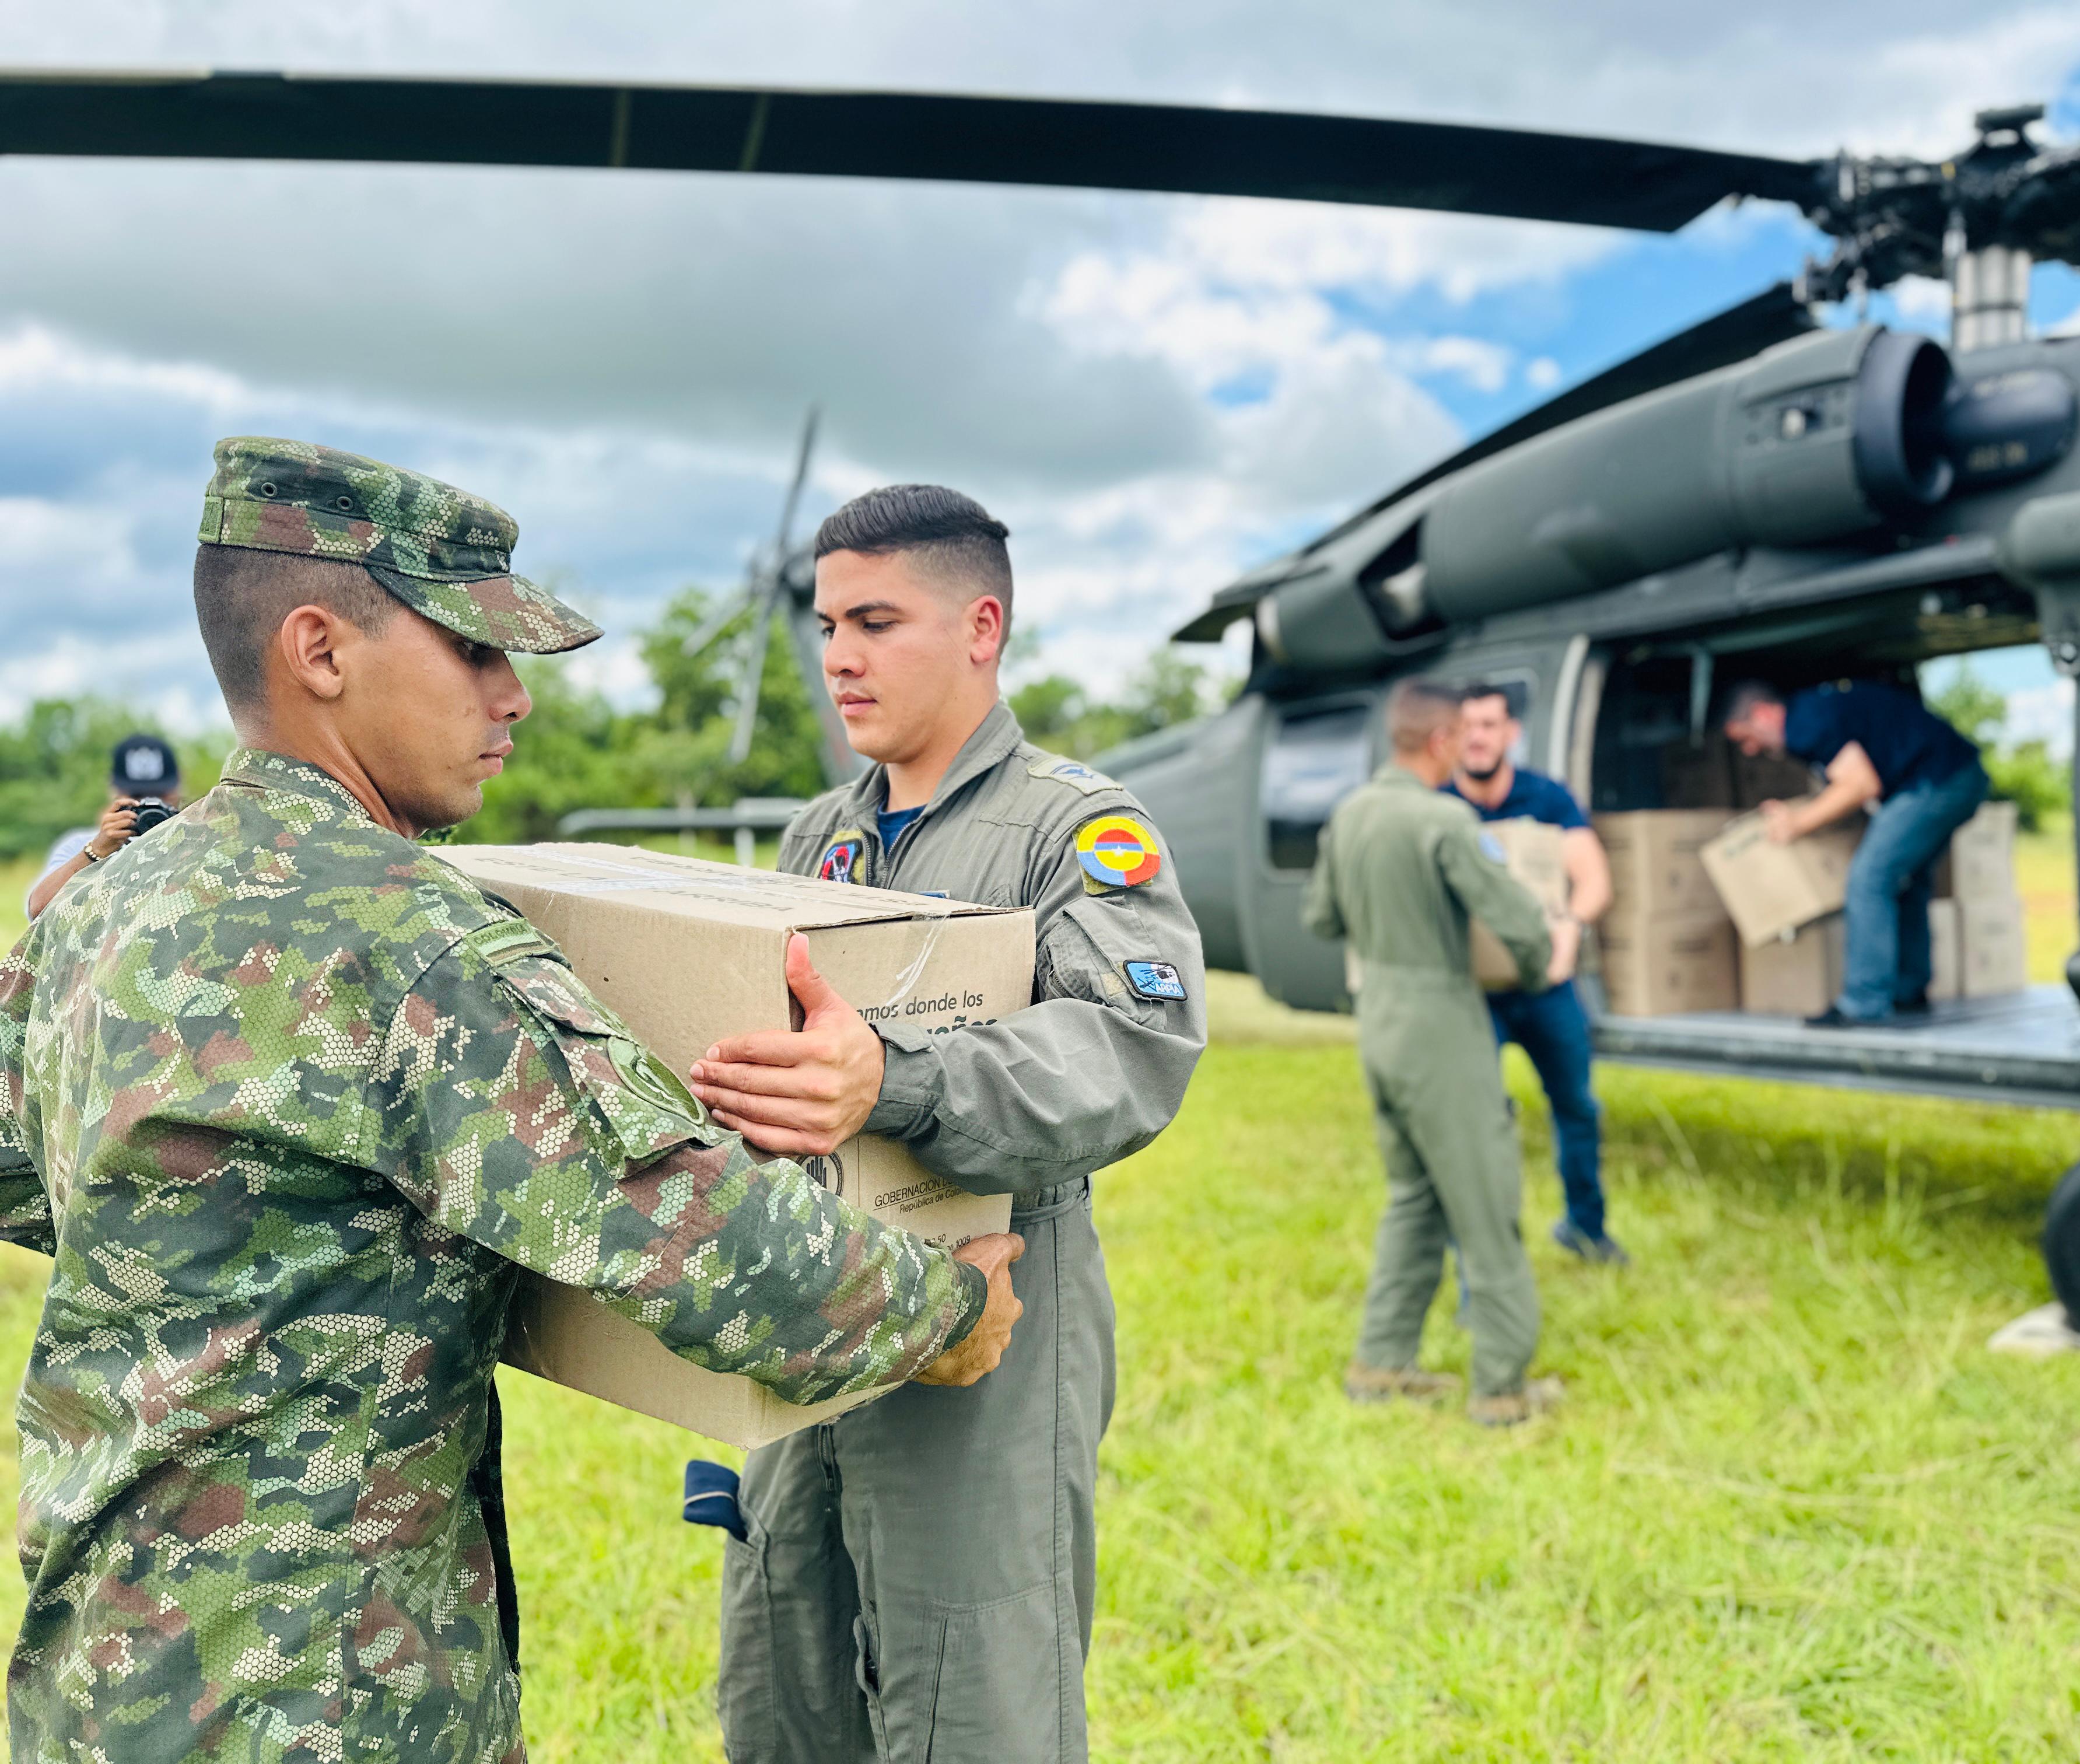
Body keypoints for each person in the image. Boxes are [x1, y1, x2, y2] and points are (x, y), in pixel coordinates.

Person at [0, 439, 1023, 1764]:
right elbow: (710, 1246)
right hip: (321, 1691)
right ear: (320, 652)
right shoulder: (413, 939)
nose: (513, 696)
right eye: (475, 651)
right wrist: (946, 1308)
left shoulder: (109, 900)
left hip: (102, 1662)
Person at [685, 484, 1207, 1764]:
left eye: (877, 620)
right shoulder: (822, 835)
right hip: (819, 1302)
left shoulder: (1074, 830)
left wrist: (901, 1083)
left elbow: (1132, 1045)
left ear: (982, 627)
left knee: (973, 1691)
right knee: (788, 1662)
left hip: (995, 1306)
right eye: (826, 626)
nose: (840, 658)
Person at [1304, 677, 1572, 1427]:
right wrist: (1535, 962)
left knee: (1414, 1199)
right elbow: (1517, 918)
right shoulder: (1443, 820)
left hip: (1379, 1023)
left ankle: (1380, 1364)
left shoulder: (1350, 814)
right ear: (1441, 741)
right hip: (1440, 1022)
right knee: (1486, 1205)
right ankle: (1502, 1388)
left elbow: (1323, 917)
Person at [1442, 684, 1624, 1264]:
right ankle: (1484, 1252)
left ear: (1510, 733)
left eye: (1490, 725)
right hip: (1473, 995)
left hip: (1547, 986)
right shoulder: (1441, 807)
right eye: (1467, 725)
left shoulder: (1546, 799)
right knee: (1479, 1121)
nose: (1478, 737)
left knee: (1576, 1106)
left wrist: (1571, 924)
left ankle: (1586, 1228)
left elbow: (1595, 879)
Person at [1721, 677, 1989, 1029]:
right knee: (1906, 882)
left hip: (1938, 781)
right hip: (1960, 776)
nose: (1750, 750)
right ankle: (1908, 989)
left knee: (1869, 879)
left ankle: (1864, 1003)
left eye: (1746, 737)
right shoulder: (1815, 711)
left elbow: (1860, 785)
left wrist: (1797, 822)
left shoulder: (1804, 723)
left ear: (1764, 713)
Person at [23, 731, 184, 920]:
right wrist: (96, 851)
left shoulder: (196, 839)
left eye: (159, 797)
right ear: (115, 792)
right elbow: (38, 911)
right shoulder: (80, 844)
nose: (150, 807)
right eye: (138, 796)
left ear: (178, 791)